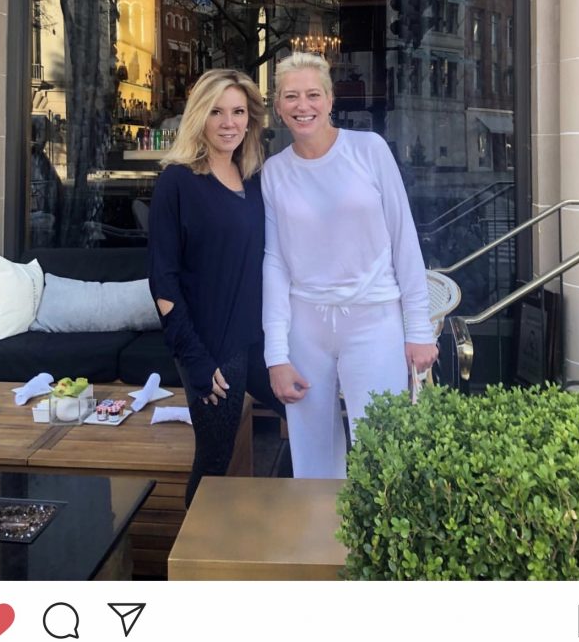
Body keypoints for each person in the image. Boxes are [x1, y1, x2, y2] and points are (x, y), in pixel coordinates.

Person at [262, 52, 438, 479]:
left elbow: (403, 240)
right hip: (306, 324)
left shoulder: (369, 150)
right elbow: (275, 262)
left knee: (384, 447)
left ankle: (382, 543)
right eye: (291, 96)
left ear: (329, 98)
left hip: (374, 319)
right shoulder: (274, 172)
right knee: (312, 452)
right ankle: (318, 540)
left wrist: (418, 329)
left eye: (312, 94)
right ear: (278, 104)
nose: (303, 106)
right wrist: (276, 355)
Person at [148, 68, 284, 507]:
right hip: (210, 347)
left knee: (307, 418)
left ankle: (267, 529)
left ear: (251, 119)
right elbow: (163, 280)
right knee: (214, 461)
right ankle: (195, 566)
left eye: (239, 112)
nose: (229, 122)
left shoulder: (255, 178)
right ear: (199, 117)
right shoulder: (178, 181)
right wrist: (194, 358)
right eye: (217, 111)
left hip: (260, 340)